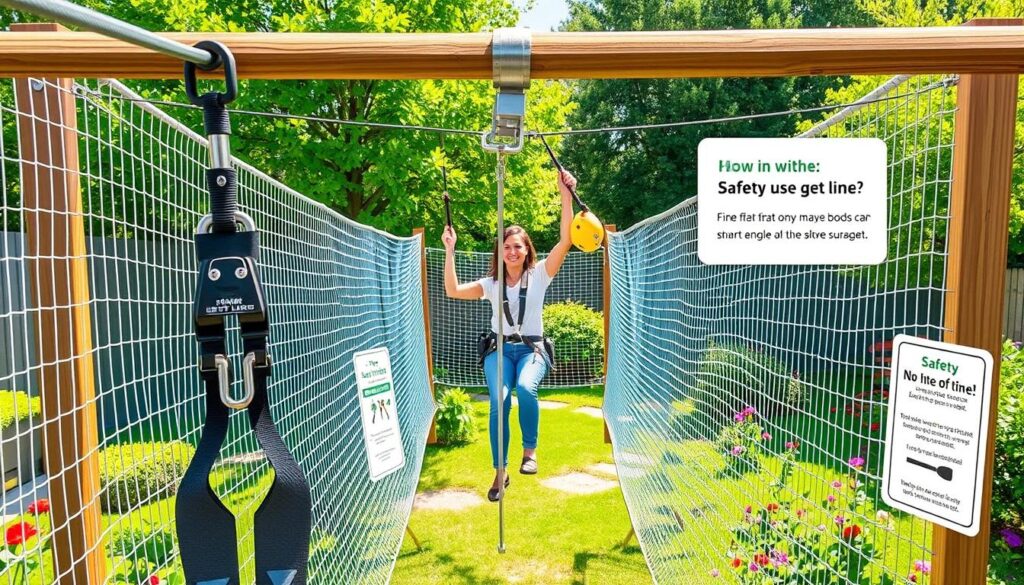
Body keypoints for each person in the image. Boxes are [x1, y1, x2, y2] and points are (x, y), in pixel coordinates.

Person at [442, 170, 577, 502]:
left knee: (527, 389)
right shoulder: (491, 284)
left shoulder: (541, 273)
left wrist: (565, 195)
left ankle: (529, 453)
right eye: (506, 247)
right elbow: (452, 290)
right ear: (500, 252)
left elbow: (566, 240)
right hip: (499, 350)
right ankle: (499, 472)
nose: (512, 251)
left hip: (531, 350)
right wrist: (450, 249)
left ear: (527, 249)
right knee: (499, 401)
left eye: (517, 246)